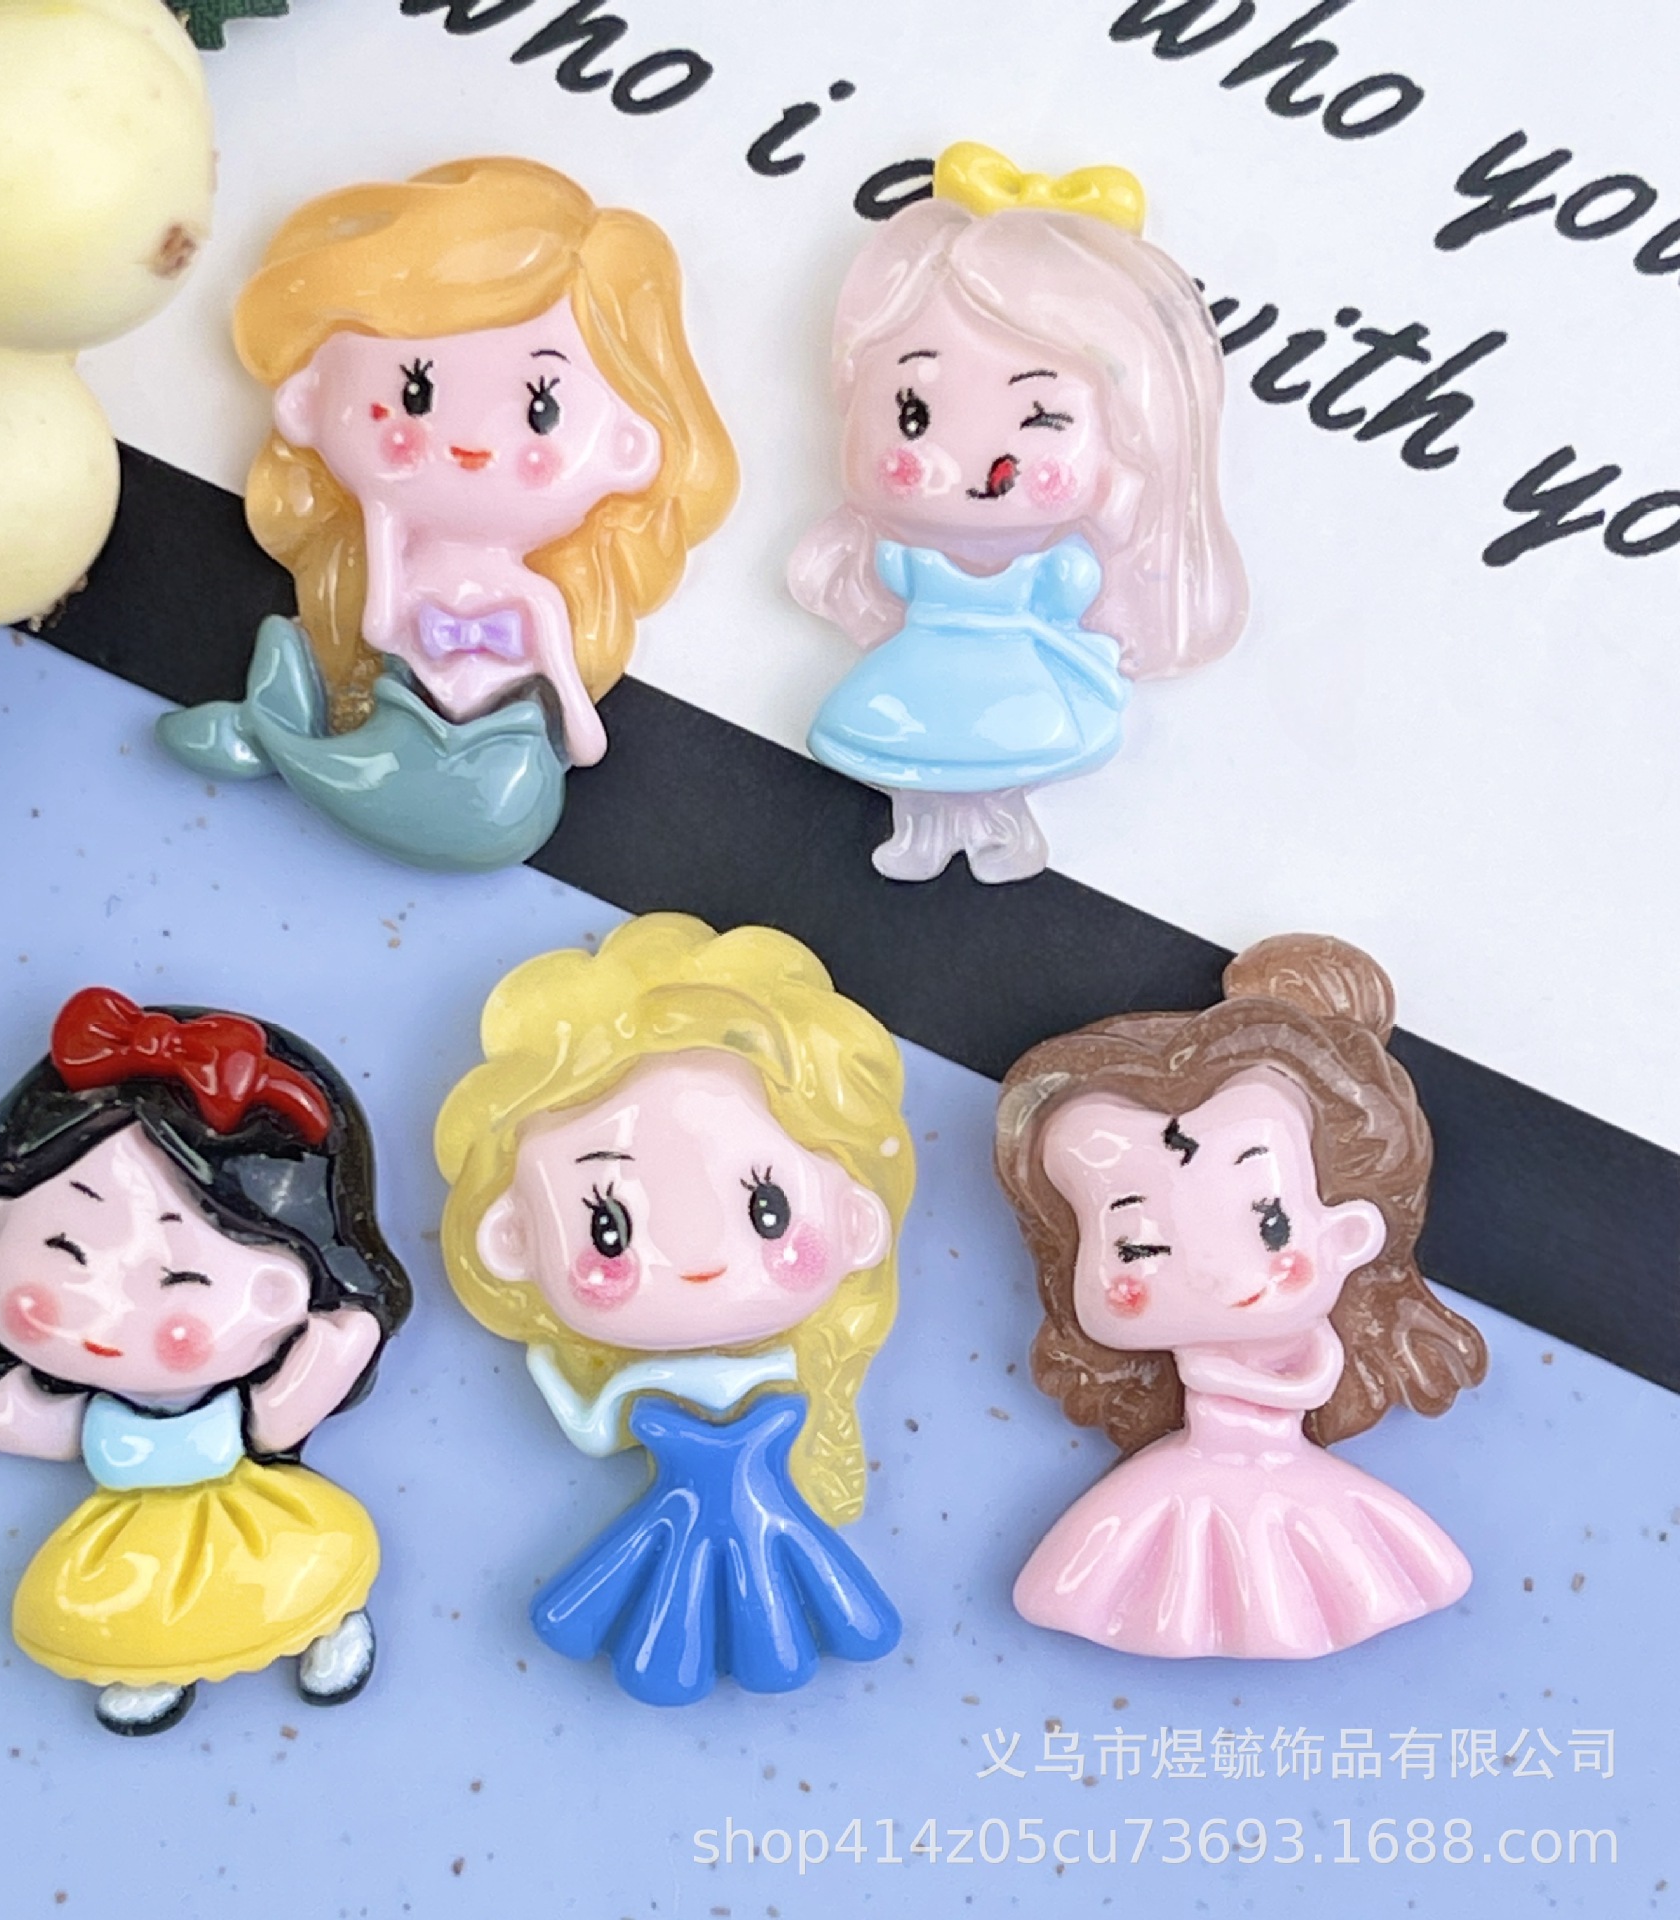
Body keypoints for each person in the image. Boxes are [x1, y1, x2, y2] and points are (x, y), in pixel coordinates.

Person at [160, 156, 738, 870]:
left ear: (628, 446)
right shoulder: (413, 563)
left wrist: (580, 731)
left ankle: (277, 739)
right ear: (308, 400)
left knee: (505, 805)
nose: (470, 443)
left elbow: (563, 686)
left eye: (541, 408)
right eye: (416, 392)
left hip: (501, 774)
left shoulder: (535, 597)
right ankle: (281, 738)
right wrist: (382, 515)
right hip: (402, 726)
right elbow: (378, 627)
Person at [435, 915, 914, 1704]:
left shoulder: (789, 1367)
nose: (698, 1258)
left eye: (767, 1210)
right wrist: (554, 1372)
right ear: (513, 1237)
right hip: (692, 1510)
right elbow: (594, 1431)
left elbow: (594, 1430)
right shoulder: (682, 1380)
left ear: (855, 1218)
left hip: (745, 1507)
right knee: (684, 1607)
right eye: (609, 1226)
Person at [993, 933, 1487, 1658]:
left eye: (1267, 1222)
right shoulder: (1136, 1498)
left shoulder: (1325, 1389)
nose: (1213, 1274)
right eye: (1136, 1246)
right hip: (1171, 1491)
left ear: (1348, 1233)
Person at [0, 987, 410, 1733]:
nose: (108, 1313)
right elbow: (45, 1425)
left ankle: (329, 1626)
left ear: (279, 1290)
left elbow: (276, 1419)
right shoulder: (95, 1410)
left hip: (250, 1509)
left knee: (299, 1571)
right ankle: (152, 1668)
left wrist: (330, 1356)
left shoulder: (244, 1404)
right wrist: (18, 1421)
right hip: (128, 1534)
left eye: (180, 1279)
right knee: (129, 1608)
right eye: (64, 1249)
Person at [791, 142, 1247, 882]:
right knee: (920, 766)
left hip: (1017, 693)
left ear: (1126, 436)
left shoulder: (1057, 567)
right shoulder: (905, 560)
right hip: (920, 679)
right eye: (914, 413)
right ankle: (921, 833)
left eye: (1041, 418)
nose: (980, 465)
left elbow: (1070, 586)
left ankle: (1000, 830)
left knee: (997, 764)